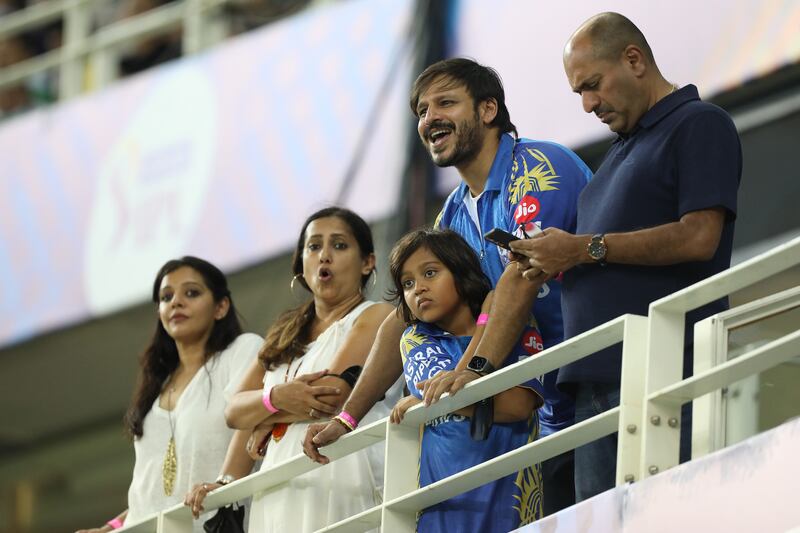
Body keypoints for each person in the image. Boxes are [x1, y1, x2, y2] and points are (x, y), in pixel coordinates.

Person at [304, 58, 592, 516]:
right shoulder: (452, 217)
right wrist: (348, 416)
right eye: (421, 110)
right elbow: (403, 317)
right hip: (540, 416)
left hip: (596, 381)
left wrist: (472, 373)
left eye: (445, 103)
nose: (429, 117)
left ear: (488, 110)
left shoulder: (540, 168)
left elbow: (519, 278)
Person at [509, 12, 742, 502]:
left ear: (633, 59)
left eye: (593, 85)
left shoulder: (698, 123)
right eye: (579, 94)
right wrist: (555, 255)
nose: (589, 104)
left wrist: (584, 248)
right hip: (594, 385)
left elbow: (699, 237)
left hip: (663, 371)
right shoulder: (615, 155)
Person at [223, 207, 401, 532]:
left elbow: (331, 397)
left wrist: (263, 415)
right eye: (314, 246)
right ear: (301, 264)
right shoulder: (281, 335)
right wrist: (277, 398)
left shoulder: (375, 315)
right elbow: (234, 412)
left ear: (367, 262)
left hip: (342, 470)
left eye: (340, 245)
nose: (325, 256)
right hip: (278, 487)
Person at [76, 257, 262, 533]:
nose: (176, 302)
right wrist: (113, 526)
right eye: (166, 297)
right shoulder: (157, 386)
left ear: (221, 307)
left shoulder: (242, 351)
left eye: (191, 293)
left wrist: (225, 484)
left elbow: (252, 421)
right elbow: (150, 490)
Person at [388, 228, 544, 531]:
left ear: (461, 273)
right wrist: (485, 322)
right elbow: (448, 393)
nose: (418, 289)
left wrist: (489, 323)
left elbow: (518, 406)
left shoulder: (518, 322)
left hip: (511, 503)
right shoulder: (415, 338)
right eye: (407, 283)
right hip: (445, 509)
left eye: (430, 273)